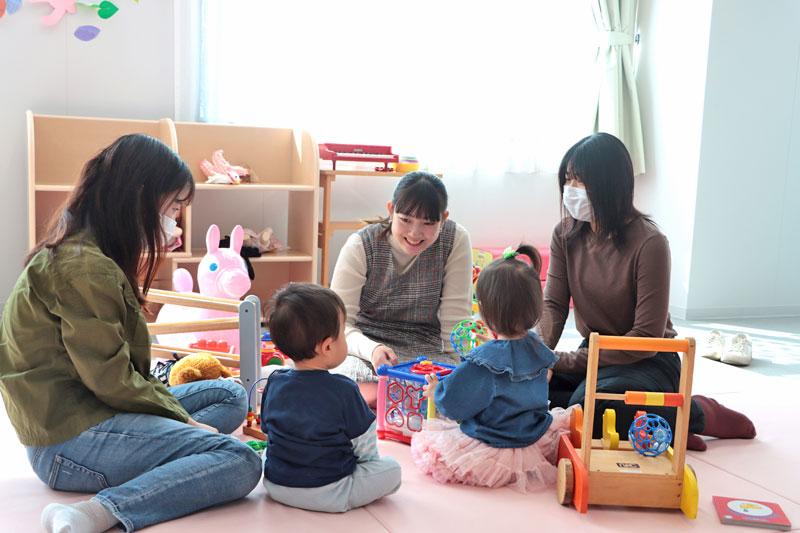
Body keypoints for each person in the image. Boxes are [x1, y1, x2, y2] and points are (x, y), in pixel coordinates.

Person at [0, 134, 262, 533]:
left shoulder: (89, 251)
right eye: (173, 207)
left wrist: (178, 423)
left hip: (95, 409)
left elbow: (115, 376)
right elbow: (111, 379)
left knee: (229, 394)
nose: (175, 220)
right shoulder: (83, 267)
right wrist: (186, 425)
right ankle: (94, 513)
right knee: (240, 460)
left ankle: (170, 464)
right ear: (140, 197)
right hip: (68, 441)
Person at [538, 132, 756, 451]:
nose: (571, 190)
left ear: (611, 185)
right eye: (568, 180)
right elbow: (554, 306)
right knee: (532, 390)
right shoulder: (565, 235)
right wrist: (537, 357)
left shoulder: (649, 243)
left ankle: (693, 414)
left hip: (646, 358)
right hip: (597, 352)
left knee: (589, 412)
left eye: (581, 181)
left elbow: (645, 337)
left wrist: (562, 360)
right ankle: (661, 422)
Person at [411, 245, 575, 492]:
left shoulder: (484, 360)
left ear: (485, 314)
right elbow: (543, 378)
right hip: (531, 439)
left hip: (493, 442)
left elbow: (456, 402)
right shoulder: (537, 348)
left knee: (433, 452)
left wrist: (437, 391)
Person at [330, 171, 473, 404]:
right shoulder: (361, 245)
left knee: (455, 385)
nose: (415, 234)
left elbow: (455, 322)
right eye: (405, 220)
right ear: (390, 210)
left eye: (428, 223)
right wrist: (373, 349)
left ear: (443, 218)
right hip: (366, 343)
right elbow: (339, 324)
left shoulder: (455, 240)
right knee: (341, 377)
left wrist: (458, 373)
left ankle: (398, 398)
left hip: (426, 345)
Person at [260, 283, 401, 512]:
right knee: (392, 470)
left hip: (276, 485)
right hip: (330, 491)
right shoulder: (344, 390)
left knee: (267, 453)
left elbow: (269, 431)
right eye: (343, 333)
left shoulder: (274, 382)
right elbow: (364, 447)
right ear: (327, 346)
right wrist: (368, 466)